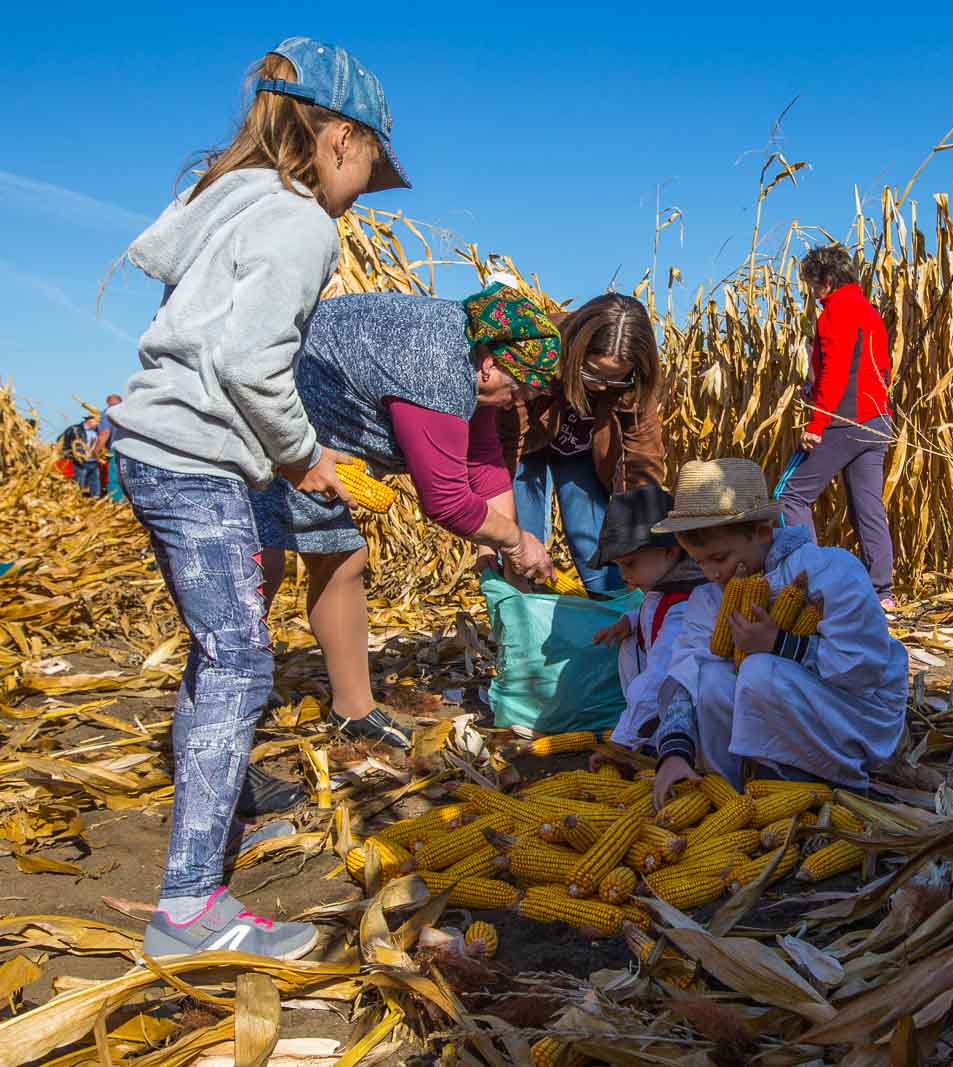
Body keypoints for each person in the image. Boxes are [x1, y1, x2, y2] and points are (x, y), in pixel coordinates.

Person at [108, 36, 408, 961]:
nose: (362, 196)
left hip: (157, 451)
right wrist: (302, 453)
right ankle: (189, 908)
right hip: (196, 458)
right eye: (369, 171)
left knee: (222, 650)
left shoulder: (225, 201)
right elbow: (247, 362)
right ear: (339, 141)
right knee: (240, 662)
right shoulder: (300, 221)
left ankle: (215, 812)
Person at [256, 283, 561, 746]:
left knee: (340, 557)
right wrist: (517, 541)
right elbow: (446, 501)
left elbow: (480, 455)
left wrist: (497, 542)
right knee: (264, 558)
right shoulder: (437, 370)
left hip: (315, 420)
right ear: (489, 365)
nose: (514, 402)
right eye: (515, 389)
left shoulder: (470, 350)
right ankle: (230, 688)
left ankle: (350, 708)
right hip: (282, 414)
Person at [649, 459, 907, 807]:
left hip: (856, 717)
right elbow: (684, 674)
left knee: (758, 671)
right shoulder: (708, 599)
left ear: (763, 533)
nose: (710, 573)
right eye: (699, 561)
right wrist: (673, 751)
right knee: (710, 678)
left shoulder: (831, 570)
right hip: (782, 705)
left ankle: (823, 783)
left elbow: (863, 669)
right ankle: (725, 792)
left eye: (720, 558)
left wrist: (780, 644)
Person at [498, 294, 666, 594]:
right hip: (525, 451)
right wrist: (501, 531)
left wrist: (642, 533)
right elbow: (508, 441)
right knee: (521, 544)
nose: (602, 387)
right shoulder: (538, 349)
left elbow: (644, 454)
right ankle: (521, 624)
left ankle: (612, 617)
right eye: (593, 374)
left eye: (615, 380)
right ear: (577, 352)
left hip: (580, 455)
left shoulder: (637, 378)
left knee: (597, 556)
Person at [778, 245, 897, 608]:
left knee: (790, 496)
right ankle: (883, 594)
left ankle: (812, 585)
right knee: (868, 506)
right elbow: (880, 367)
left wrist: (817, 423)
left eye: (813, 283)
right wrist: (814, 388)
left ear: (826, 280)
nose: (811, 292)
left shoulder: (836, 311)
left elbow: (837, 370)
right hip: (877, 420)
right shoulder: (868, 311)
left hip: (844, 421)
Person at [588, 484, 709, 753]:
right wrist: (630, 621)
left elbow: (659, 678)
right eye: (618, 566)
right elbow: (655, 612)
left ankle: (645, 737)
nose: (623, 576)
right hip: (661, 711)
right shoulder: (665, 586)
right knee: (629, 642)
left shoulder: (685, 607)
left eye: (630, 564)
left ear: (671, 551)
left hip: (687, 721)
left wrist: (622, 742)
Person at [59, 414, 101, 497]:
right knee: (79, 482)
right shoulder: (74, 429)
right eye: (96, 422)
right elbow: (61, 441)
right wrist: (71, 454)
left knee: (95, 482)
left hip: (94, 461)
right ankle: (77, 498)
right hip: (81, 461)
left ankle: (96, 499)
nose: (98, 424)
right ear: (89, 421)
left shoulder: (97, 431)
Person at [94, 394, 125, 502]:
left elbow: (105, 433)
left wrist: (96, 451)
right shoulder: (131, 412)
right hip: (135, 450)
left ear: (108, 403)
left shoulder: (108, 413)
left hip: (118, 449)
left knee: (115, 477)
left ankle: (117, 502)